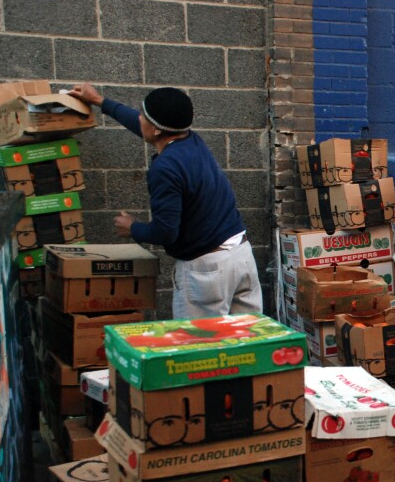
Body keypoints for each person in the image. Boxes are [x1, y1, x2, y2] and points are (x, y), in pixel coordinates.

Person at [66, 83, 263, 319]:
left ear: (157, 130)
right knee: (246, 347)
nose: (138, 118)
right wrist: (100, 102)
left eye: (143, 115)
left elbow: (165, 232)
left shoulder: (165, 168)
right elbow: (141, 125)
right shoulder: (191, 140)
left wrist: (132, 228)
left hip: (208, 271)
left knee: (198, 350)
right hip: (241, 258)